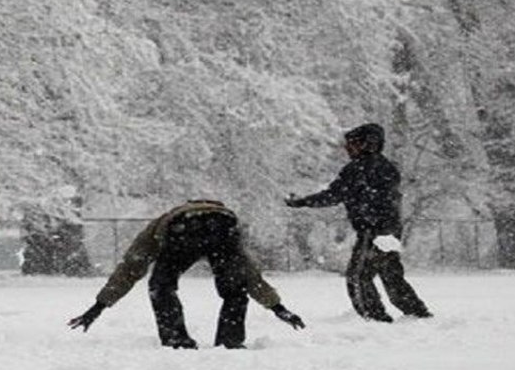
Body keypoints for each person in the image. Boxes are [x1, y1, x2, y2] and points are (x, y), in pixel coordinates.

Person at [68, 199, 305, 349]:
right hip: (223, 228)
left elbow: (131, 268)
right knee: (236, 288)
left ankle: (176, 340)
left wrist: (98, 307)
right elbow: (251, 275)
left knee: (161, 287)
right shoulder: (223, 222)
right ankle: (230, 341)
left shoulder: (161, 224)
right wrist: (278, 308)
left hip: (182, 231)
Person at [285, 122, 432, 322]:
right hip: (390, 231)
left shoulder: (357, 168)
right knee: (391, 275)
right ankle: (417, 313)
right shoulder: (387, 167)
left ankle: (374, 318)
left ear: (367, 143)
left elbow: (334, 194)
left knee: (358, 276)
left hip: (372, 231)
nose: (347, 148)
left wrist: (302, 202)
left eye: (352, 143)